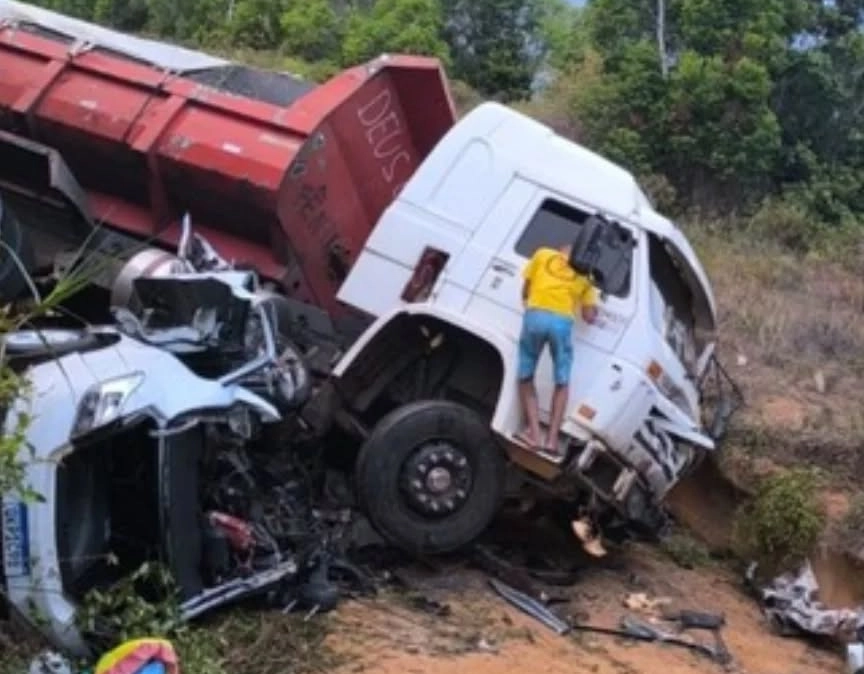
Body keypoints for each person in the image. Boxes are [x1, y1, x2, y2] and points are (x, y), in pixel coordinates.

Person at [516, 242, 598, 455]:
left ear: (561, 250)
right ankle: (551, 441)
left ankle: (533, 434)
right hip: (561, 324)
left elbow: (526, 289)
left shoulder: (542, 253)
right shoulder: (587, 276)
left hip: (535, 316)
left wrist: (530, 303)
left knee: (525, 375)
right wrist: (596, 311)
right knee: (561, 382)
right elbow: (588, 317)